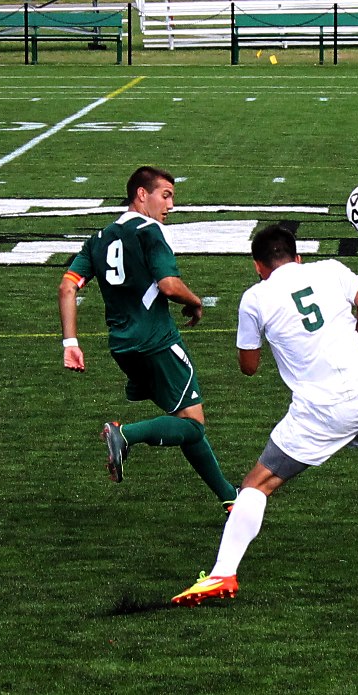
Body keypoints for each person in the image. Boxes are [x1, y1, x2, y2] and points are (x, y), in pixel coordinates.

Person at [171, 223, 358, 604]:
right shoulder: (331, 269)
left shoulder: (256, 297)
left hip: (322, 410)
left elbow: (248, 367)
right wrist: (352, 331)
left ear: (258, 266)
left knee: (256, 485)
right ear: (298, 257)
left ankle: (223, 574)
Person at [58, 165, 237, 513]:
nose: (170, 205)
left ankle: (230, 497)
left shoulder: (98, 239)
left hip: (123, 348)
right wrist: (196, 302)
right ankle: (125, 434)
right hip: (157, 341)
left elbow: (67, 287)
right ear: (142, 194)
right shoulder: (150, 230)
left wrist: (71, 343)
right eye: (166, 195)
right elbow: (169, 286)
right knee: (192, 425)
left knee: (181, 416)